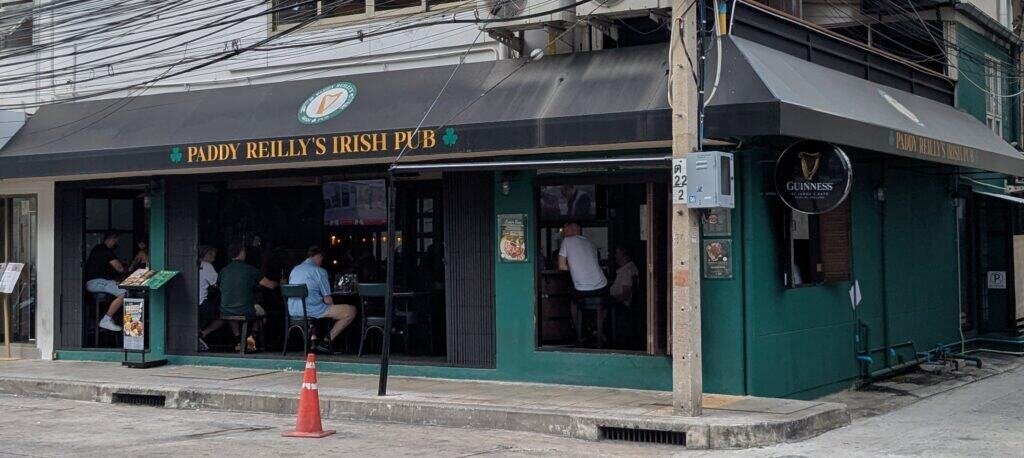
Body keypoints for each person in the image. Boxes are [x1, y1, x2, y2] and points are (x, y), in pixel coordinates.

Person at [288, 246, 357, 354]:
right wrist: (334, 310)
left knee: (320, 310)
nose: (321, 262)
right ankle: (326, 343)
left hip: (293, 310)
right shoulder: (319, 271)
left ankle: (315, 340)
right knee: (351, 310)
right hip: (311, 311)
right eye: (322, 259)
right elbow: (327, 299)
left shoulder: (295, 270)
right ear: (319, 256)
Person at [557, 222, 609, 346]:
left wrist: (573, 267)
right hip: (602, 286)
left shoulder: (567, 241)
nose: (563, 233)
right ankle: (597, 328)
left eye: (565, 230)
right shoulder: (590, 243)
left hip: (581, 290)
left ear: (573, 230)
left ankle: (579, 334)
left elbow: (561, 266)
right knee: (604, 303)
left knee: (574, 302)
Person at [217, 243, 261, 352]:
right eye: (244, 251)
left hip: (226, 309)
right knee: (261, 313)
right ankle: (251, 340)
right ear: (241, 252)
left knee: (231, 312)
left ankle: (238, 342)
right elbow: (269, 285)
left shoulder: (223, 270)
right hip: (245, 309)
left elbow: (218, 286)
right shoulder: (249, 269)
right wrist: (277, 283)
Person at [84, 232, 127, 332]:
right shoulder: (105, 250)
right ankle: (106, 320)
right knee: (124, 292)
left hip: (93, 282)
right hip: (96, 282)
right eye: (116, 241)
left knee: (118, 289)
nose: (116, 244)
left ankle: (108, 319)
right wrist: (128, 268)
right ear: (111, 238)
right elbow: (119, 268)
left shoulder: (97, 248)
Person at [197, 245, 221, 352]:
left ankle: (198, 333)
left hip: (191, 303)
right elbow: (217, 283)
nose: (214, 259)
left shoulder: (193, 263)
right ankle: (202, 333)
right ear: (206, 254)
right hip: (201, 303)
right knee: (223, 315)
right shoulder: (206, 265)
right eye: (212, 256)